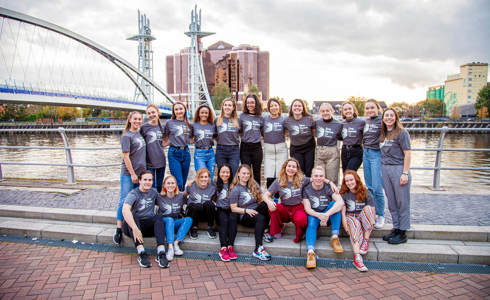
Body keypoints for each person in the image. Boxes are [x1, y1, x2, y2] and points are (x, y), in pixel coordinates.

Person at [121, 171, 168, 268]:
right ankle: (141, 253)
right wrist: (135, 228)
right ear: (139, 181)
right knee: (133, 215)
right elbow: (125, 209)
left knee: (158, 216)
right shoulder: (134, 194)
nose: (147, 182)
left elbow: (165, 200)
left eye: (150, 180)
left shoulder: (154, 192)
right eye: (145, 180)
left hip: (146, 226)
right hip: (132, 227)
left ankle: (161, 252)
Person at [114, 111, 146, 245]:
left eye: (140, 119)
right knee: (124, 200)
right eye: (135, 119)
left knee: (137, 200)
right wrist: (132, 173)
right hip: (129, 174)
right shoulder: (126, 136)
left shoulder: (138, 134)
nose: (138, 121)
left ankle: (134, 224)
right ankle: (119, 229)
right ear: (130, 120)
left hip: (141, 174)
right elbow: (126, 156)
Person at [303, 166, 344, 269]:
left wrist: (326, 215)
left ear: (324, 177)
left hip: (327, 215)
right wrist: (320, 216)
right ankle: (311, 252)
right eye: (316, 176)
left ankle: (334, 237)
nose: (318, 178)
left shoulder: (327, 187)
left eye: (321, 176)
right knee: (311, 222)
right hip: (315, 215)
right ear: (312, 177)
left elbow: (341, 202)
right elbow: (308, 209)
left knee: (335, 205)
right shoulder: (307, 189)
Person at [380, 108, 411, 244]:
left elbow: (408, 153)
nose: (389, 118)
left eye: (391, 116)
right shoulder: (383, 134)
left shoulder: (402, 133)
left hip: (398, 168)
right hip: (385, 169)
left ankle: (403, 232)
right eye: (386, 116)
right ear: (383, 118)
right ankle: (396, 227)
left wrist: (405, 173)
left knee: (402, 201)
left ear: (396, 117)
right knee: (391, 201)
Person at [229, 164, 271, 261]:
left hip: (255, 211)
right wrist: (246, 210)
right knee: (260, 218)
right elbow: (233, 208)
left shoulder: (253, 184)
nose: (246, 175)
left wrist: (269, 202)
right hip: (244, 215)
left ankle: (264, 230)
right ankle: (258, 249)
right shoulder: (236, 189)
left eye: (248, 173)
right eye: (244, 173)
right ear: (238, 174)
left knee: (266, 203)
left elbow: (262, 198)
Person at [263, 158, 310, 243]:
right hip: (284, 208)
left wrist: (329, 182)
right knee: (273, 207)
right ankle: (278, 229)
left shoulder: (302, 180)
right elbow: (265, 195)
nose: (291, 169)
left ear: (297, 170)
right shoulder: (279, 181)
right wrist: (269, 202)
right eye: (289, 166)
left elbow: (316, 179)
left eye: (294, 167)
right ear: (285, 168)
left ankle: (300, 234)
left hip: (298, 208)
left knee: (302, 221)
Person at [340, 170, 376, 272]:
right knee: (354, 225)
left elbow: (372, 212)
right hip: (351, 217)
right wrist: (344, 224)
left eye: (351, 180)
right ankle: (357, 258)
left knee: (368, 209)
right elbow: (343, 211)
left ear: (356, 179)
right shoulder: (344, 193)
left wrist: (367, 223)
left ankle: (365, 240)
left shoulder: (365, 192)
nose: (349, 183)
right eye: (346, 181)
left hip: (363, 217)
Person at [157, 176, 192, 261]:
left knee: (188, 219)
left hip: (175, 222)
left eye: (173, 183)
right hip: (164, 223)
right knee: (169, 220)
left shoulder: (180, 196)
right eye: (168, 183)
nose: (170, 185)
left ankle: (176, 243)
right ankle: (170, 247)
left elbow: (191, 200)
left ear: (176, 185)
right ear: (164, 185)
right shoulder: (159, 197)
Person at [363, 99, 386, 228]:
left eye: (372, 108)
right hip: (365, 152)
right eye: (367, 108)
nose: (370, 110)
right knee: (369, 186)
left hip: (376, 153)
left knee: (377, 187)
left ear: (378, 108)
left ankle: (381, 214)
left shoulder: (381, 120)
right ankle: (372, 213)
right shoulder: (367, 121)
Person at [284, 99, 316, 177]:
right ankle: (298, 188)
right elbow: (283, 133)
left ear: (303, 108)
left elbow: (314, 133)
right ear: (291, 108)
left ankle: (308, 188)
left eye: (299, 106)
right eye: (295, 106)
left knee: (309, 171)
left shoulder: (309, 119)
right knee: (298, 171)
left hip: (309, 147)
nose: (297, 108)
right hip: (296, 149)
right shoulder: (287, 120)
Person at [164, 102, 192, 192]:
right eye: (176, 109)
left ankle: (179, 202)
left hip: (186, 152)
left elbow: (191, 139)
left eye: (181, 109)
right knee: (178, 181)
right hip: (174, 153)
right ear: (174, 111)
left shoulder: (189, 124)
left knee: (183, 182)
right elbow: (165, 137)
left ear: (184, 110)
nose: (179, 111)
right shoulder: (169, 123)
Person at [263, 98, 288, 193]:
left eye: (276, 105)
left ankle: (278, 198)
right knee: (269, 175)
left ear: (279, 107)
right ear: (269, 108)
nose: (274, 107)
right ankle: (270, 197)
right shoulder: (265, 119)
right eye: (271, 106)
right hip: (268, 148)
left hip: (281, 148)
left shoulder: (283, 119)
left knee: (280, 174)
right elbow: (261, 132)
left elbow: (286, 132)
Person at [315, 103, 343, 185]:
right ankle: (321, 196)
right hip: (320, 151)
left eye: (327, 110)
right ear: (320, 112)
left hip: (332, 151)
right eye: (323, 111)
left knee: (332, 177)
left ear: (332, 111)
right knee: (319, 176)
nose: (325, 113)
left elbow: (342, 137)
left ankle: (332, 197)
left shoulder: (338, 124)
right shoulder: (317, 123)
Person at [185, 168, 217, 239]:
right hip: (193, 213)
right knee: (197, 205)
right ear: (197, 178)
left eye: (206, 177)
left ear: (208, 178)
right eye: (201, 177)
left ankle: (210, 227)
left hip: (204, 213)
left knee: (209, 204)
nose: (203, 179)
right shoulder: (191, 185)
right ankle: (193, 228)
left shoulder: (213, 187)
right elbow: (183, 196)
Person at [239, 94, 264, 185]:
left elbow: (263, 132)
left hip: (257, 147)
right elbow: (239, 130)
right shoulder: (242, 116)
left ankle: (257, 193)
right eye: (248, 102)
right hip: (245, 147)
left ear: (256, 103)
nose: (250, 104)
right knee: (245, 172)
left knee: (257, 172)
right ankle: (245, 192)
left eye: (252, 102)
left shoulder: (260, 117)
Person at [215, 164, 238, 262]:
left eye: (227, 172)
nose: (225, 174)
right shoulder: (215, 184)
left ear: (230, 173)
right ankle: (223, 247)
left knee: (233, 219)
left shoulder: (234, 184)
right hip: (220, 209)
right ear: (219, 173)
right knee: (224, 220)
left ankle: (230, 246)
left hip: (232, 209)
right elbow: (201, 180)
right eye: (223, 172)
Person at [140, 104, 166, 193]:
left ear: (158, 112)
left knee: (159, 186)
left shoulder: (163, 127)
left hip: (161, 161)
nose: (151, 115)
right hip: (149, 162)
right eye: (149, 113)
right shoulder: (144, 127)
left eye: (153, 112)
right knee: (150, 186)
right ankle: (150, 205)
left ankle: (158, 204)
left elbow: (166, 141)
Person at [215, 98, 240, 177]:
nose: (227, 107)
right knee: (222, 173)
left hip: (234, 150)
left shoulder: (238, 120)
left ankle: (232, 189)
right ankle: (222, 189)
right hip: (221, 149)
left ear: (233, 108)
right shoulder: (217, 120)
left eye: (229, 105)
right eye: (225, 105)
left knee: (233, 172)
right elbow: (215, 135)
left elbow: (241, 133)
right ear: (222, 107)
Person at [191, 105, 217, 178]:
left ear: (209, 114)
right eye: (202, 113)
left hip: (210, 152)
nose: (204, 114)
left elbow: (216, 137)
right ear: (198, 114)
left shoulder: (212, 125)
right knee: (202, 176)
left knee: (210, 176)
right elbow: (190, 138)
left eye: (206, 113)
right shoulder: (193, 125)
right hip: (199, 153)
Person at [341, 101, 365, 172]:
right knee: (345, 173)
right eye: (345, 109)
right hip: (345, 150)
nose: (348, 111)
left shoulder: (361, 122)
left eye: (349, 109)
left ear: (353, 110)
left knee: (350, 172)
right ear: (342, 112)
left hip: (356, 150)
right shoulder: (342, 124)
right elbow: (339, 136)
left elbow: (366, 136)